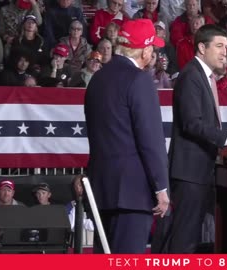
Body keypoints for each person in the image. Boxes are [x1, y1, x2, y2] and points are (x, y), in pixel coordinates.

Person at [154, 24, 227, 253]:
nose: (224, 52)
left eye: (226, 47)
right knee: (183, 238)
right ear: (201, 47)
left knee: (192, 236)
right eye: (219, 46)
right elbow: (192, 123)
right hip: (189, 173)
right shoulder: (191, 75)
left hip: (202, 170)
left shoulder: (204, 77)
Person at [84, 19, 170, 254]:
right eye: (153, 48)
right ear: (146, 50)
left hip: (101, 190)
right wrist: (161, 187)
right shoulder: (139, 79)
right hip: (132, 194)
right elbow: (150, 139)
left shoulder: (97, 79)